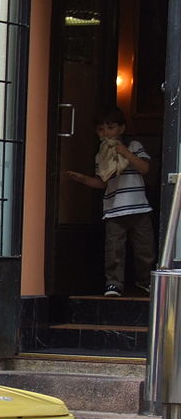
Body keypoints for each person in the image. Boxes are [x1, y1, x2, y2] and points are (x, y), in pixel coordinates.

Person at [65, 107, 154, 297]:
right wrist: (83, 179)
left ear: (121, 129)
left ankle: (145, 281)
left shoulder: (134, 146)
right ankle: (114, 283)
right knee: (114, 250)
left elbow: (145, 168)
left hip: (139, 207)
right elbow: (103, 182)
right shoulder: (101, 155)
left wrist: (125, 153)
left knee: (145, 248)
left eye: (111, 127)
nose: (106, 133)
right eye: (101, 129)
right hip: (114, 209)